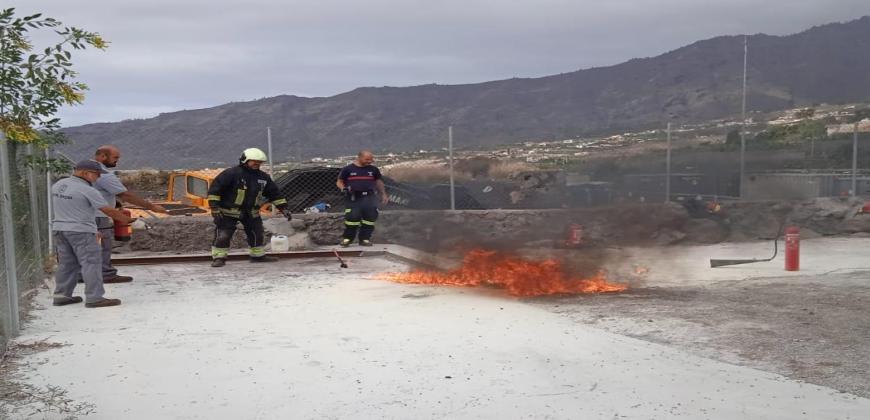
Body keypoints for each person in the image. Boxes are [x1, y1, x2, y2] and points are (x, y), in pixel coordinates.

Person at [52, 160, 136, 308]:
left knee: (67, 263)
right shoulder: (88, 190)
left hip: (60, 229)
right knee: (91, 263)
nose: (98, 178)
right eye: (96, 175)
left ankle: (61, 295)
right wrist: (128, 220)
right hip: (82, 231)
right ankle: (95, 298)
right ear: (85, 173)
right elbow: (107, 210)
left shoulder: (59, 185)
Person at [91, 145, 168, 283]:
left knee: (87, 246)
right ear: (103, 156)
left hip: (84, 214)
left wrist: (116, 203)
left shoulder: (84, 171)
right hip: (98, 216)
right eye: (115, 158)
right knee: (103, 245)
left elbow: (98, 193)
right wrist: (152, 207)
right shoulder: (104, 175)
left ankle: (81, 273)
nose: (117, 161)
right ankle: (105, 274)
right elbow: (126, 195)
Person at [207, 147, 291, 267]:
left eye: (259, 162)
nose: (257, 164)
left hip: (252, 212)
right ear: (244, 160)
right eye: (254, 161)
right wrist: (214, 208)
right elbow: (214, 191)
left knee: (257, 234)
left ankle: (257, 256)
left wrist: (283, 208)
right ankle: (219, 257)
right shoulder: (231, 174)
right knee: (223, 235)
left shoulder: (263, 178)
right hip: (228, 212)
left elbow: (274, 193)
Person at [336, 150, 389, 247]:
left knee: (369, 218)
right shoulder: (348, 169)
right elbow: (339, 181)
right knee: (352, 218)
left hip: (370, 197)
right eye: (367, 159)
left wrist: (384, 194)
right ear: (359, 157)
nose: (370, 161)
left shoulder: (373, 170)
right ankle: (347, 239)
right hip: (353, 197)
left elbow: (379, 182)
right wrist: (343, 188)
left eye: (371, 159)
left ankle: (364, 239)